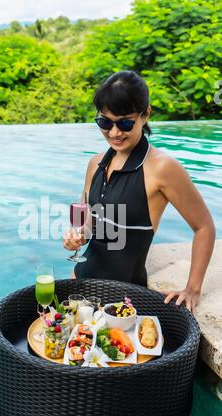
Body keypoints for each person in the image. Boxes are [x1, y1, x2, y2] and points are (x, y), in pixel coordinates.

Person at [63, 70, 215, 314]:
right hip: (79, 283)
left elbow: (204, 226)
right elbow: (86, 213)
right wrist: (75, 233)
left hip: (125, 302)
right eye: (104, 122)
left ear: (145, 115)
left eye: (124, 123)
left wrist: (192, 289)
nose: (114, 133)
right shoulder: (95, 163)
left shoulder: (162, 168)